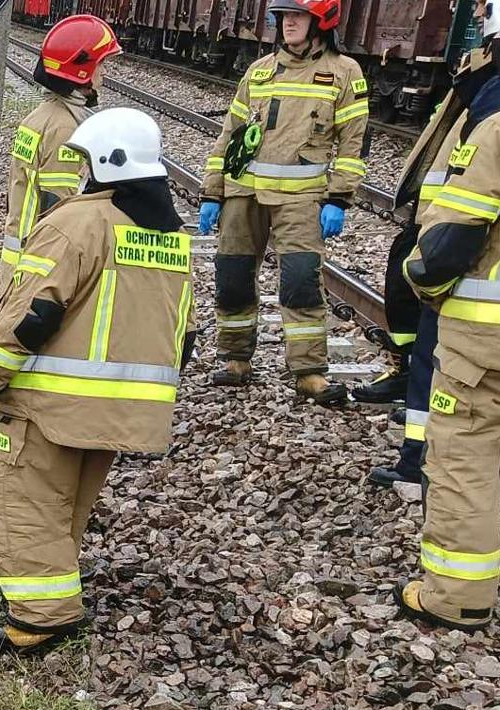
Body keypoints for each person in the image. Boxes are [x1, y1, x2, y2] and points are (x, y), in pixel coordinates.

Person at [0, 108, 195, 655]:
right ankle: (55, 596)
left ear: (107, 163)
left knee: (21, 503)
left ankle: (44, 619)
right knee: (67, 506)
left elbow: (29, 315)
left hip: (49, 405)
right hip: (118, 409)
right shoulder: (168, 235)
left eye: (88, 160)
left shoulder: (77, 224)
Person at [0, 14, 123, 459]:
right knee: (21, 354)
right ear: (82, 70)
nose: (105, 73)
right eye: (103, 64)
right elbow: (61, 204)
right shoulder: (66, 128)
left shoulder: (40, 116)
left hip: (20, 250)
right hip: (41, 255)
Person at [197, 0, 368, 405]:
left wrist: (339, 198)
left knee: (300, 282)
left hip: (302, 198)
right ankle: (235, 358)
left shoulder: (346, 73)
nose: (287, 22)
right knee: (233, 278)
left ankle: (309, 372)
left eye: (297, 15)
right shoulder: (259, 71)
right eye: (282, 16)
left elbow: (352, 144)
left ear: (321, 21)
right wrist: (212, 191)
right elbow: (230, 134)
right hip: (244, 194)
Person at [363, 7, 498, 487]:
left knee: (437, 362)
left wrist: (427, 270)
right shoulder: (480, 72)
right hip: (437, 228)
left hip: (460, 265)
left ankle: (418, 462)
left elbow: (471, 201)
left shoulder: (491, 90)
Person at [392, 54, 500, 631]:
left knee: (466, 458)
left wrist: (418, 279)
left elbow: (448, 245)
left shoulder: (496, 129)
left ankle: (458, 597)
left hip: (486, 346)